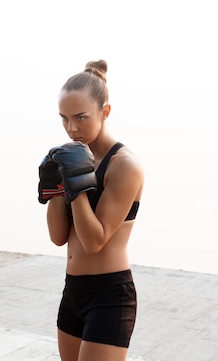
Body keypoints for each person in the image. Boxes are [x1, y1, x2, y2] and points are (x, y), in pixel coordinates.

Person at [37, 59, 144, 361]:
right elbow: (59, 237)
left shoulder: (124, 165)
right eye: (64, 118)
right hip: (73, 293)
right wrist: (57, 188)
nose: (72, 128)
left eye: (81, 117)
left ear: (105, 112)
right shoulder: (71, 159)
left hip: (109, 296)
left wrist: (77, 186)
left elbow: (95, 241)